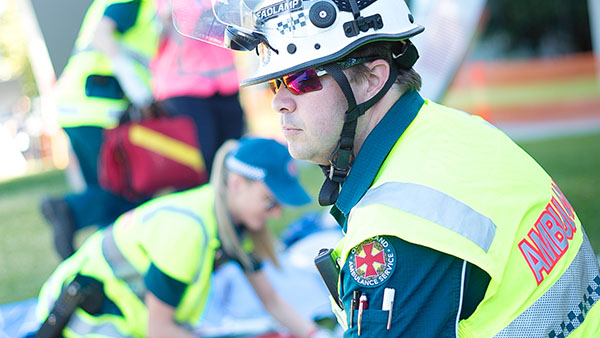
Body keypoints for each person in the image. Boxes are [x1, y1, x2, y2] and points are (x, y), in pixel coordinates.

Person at [171, 0, 600, 336]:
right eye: (275, 84)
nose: (281, 100)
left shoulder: (405, 227)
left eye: (302, 79)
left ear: (373, 79)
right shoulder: (456, 129)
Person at [34, 137, 332, 338]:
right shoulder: (189, 230)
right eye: (270, 201)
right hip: (82, 322)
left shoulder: (236, 226)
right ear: (238, 184)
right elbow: (160, 329)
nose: (276, 214)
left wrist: (316, 335)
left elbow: (272, 302)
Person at [41, 0, 159, 259]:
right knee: (126, 192)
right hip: (96, 109)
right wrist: (135, 86)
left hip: (80, 108)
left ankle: (107, 254)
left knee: (106, 190)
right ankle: (69, 210)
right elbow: (103, 34)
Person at [150, 0, 246, 175]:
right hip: (183, 89)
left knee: (232, 159)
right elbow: (191, 23)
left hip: (225, 85)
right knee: (199, 165)